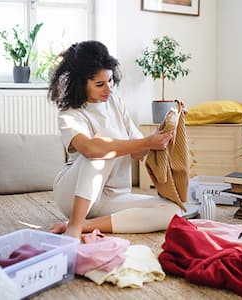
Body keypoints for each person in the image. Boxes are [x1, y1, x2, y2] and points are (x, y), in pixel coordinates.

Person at [48, 40, 184, 239]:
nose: (109, 89)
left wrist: (163, 131)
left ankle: (85, 225)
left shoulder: (115, 101)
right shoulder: (69, 113)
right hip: (74, 196)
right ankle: (75, 225)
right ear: (80, 83)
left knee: (174, 211)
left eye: (111, 80)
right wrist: (147, 142)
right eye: (99, 84)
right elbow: (90, 149)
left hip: (113, 196)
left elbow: (138, 153)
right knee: (104, 142)